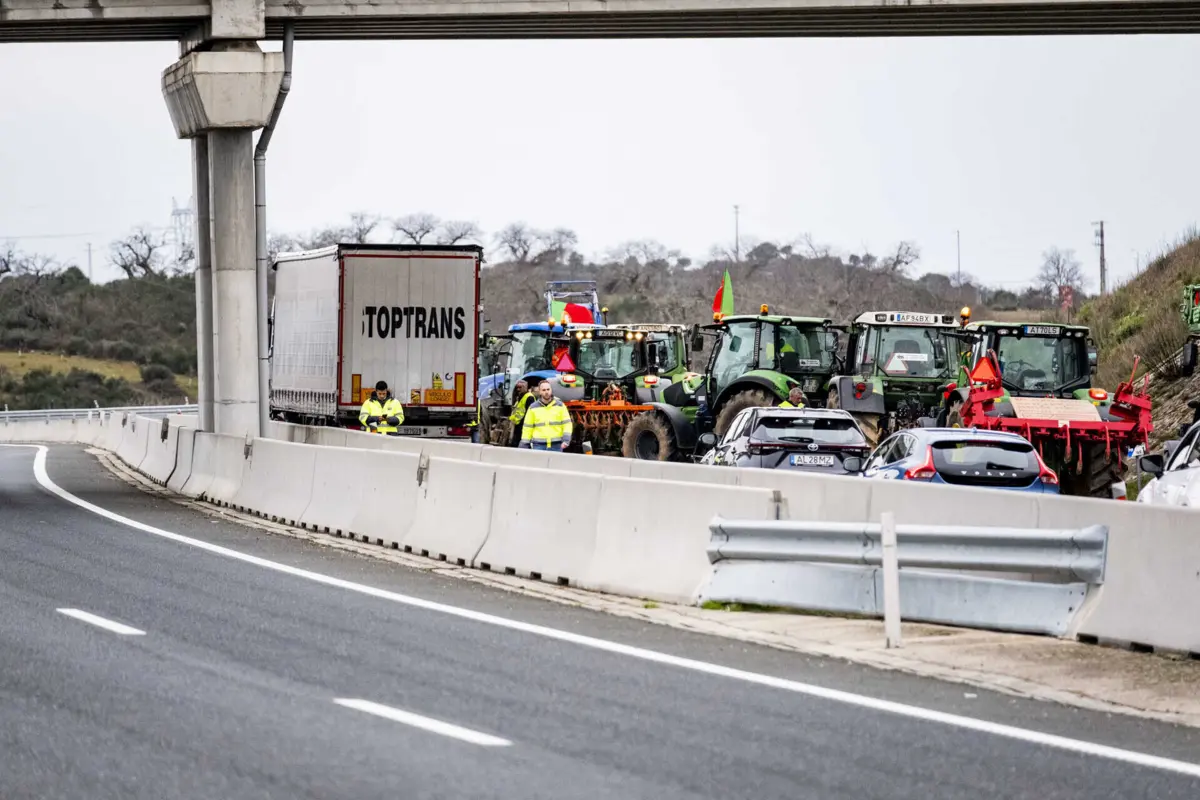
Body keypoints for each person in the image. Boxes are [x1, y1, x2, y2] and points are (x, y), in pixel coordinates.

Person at [519, 379, 572, 451]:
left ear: (551, 390)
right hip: (538, 445)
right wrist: (525, 444)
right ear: (540, 392)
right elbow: (528, 427)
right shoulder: (533, 408)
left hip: (556, 445)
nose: (546, 392)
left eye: (548, 389)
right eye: (543, 390)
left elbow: (567, 424)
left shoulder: (560, 406)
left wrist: (566, 439)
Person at [508, 380, 534, 447]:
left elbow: (529, 413)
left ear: (525, 387)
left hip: (523, 425)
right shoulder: (519, 397)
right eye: (517, 387)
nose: (518, 389)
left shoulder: (529, 397)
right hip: (517, 424)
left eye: (520, 387)